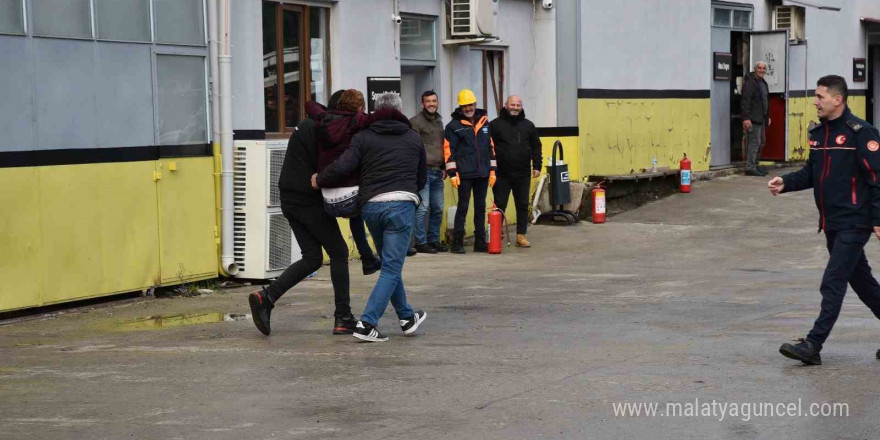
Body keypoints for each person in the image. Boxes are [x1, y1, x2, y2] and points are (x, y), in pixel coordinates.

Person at [769, 75, 880, 365]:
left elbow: (876, 179)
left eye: (820, 96)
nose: (815, 102)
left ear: (838, 99)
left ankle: (813, 345)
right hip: (831, 223)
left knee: (833, 280)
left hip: (855, 221)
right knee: (864, 283)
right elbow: (811, 172)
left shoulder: (861, 133)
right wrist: (786, 182)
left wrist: (878, 219)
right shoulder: (819, 133)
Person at [315, 92, 428, 342]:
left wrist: (320, 179)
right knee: (391, 267)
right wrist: (411, 191)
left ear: (375, 110)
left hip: (371, 207)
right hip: (400, 205)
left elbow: (344, 165)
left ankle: (407, 317)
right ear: (400, 110)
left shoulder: (363, 136)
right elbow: (421, 177)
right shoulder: (413, 137)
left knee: (390, 265)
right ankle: (367, 324)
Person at [248, 90, 357, 336]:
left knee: (312, 257)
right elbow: (329, 167)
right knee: (339, 251)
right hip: (307, 199)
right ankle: (343, 317)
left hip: (289, 198)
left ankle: (266, 297)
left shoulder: (308, 124)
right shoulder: (326, 130)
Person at [307, 89, 407, 275]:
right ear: (360, 108)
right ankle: (373, 254)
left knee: (355, 217)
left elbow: (309, 105)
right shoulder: (358, 120)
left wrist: (328, 111)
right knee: (371, 205)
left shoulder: (324, 119)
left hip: (327, 197)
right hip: (351, 197)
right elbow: (382, 116)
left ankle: (367, 258)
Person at [444, 89, 497, 254]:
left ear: (475, 104)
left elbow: (491, 148)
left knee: (481, 207)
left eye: (471, 104)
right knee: (463, 207)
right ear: (460, 107)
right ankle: (457, 243)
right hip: (464, 174)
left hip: (482, 173)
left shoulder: (485, 122)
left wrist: (493, 170)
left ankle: (480, 242)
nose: (468, 108)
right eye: (465, 106)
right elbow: (448, 150)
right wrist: (452, 173)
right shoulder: (453, 126)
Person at [489, 95, 542, 248]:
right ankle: (496, 233)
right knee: (499, 204)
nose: (515, 107)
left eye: (518, 105)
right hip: (501, 174)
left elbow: (536, 147)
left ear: (521, 107)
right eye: (512, 104)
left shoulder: (528, 126)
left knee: (523, 204)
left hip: (523, 173)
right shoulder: (495, 125)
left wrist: (537, 166)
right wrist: (490, 170)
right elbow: (488, 148)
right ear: (506, 105)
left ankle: (521, 235)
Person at [410, 90, 448, 254]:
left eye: (434, 101)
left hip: (438, 171)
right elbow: (413, 148)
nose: (431, 104)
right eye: (428, 101)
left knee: (438, 208)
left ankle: (433, 240)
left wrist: (445, 166)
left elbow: (442, 145)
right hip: (423, 171)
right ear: (422, 104)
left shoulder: (439, 121)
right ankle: (420, 242)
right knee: (423, 207)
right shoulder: (415, 122)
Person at [742, 61, 772, 176]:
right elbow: (745, 101)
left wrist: (767, 116)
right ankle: (750, 167)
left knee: (761, 142)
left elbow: (766, 101)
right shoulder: (750, 83)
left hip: (761, 118)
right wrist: (746, 118)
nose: (761, 70)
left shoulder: (763, 83)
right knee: (754, 143)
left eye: (763, 68)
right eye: (759, 68)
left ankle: (755, 164)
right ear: (755, 69)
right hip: (753, 118)